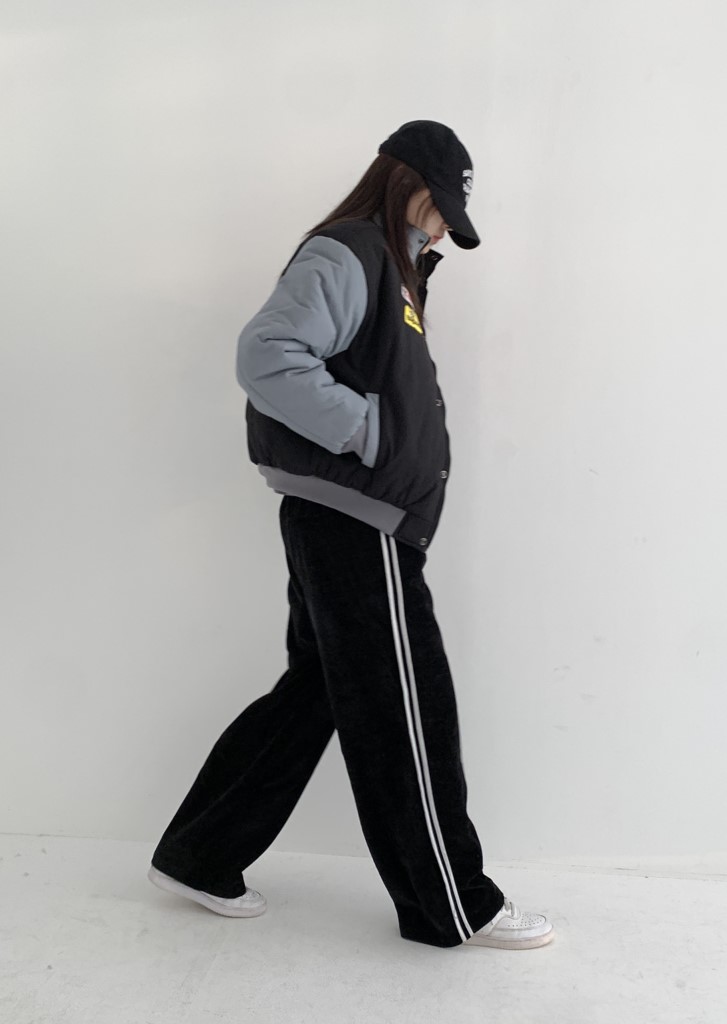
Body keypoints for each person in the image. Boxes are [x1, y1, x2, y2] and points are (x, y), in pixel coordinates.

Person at [147, 120, 554, 951]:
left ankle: (200, 853)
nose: (441, 229)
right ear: (412, 185)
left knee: (319, 693)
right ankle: (453, 903)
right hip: (355, 518)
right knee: (407, 708)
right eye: (441, 210)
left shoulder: (391, 264)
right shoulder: (350, 250)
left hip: (349, 516)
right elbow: (267, 355)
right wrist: (370, 436)